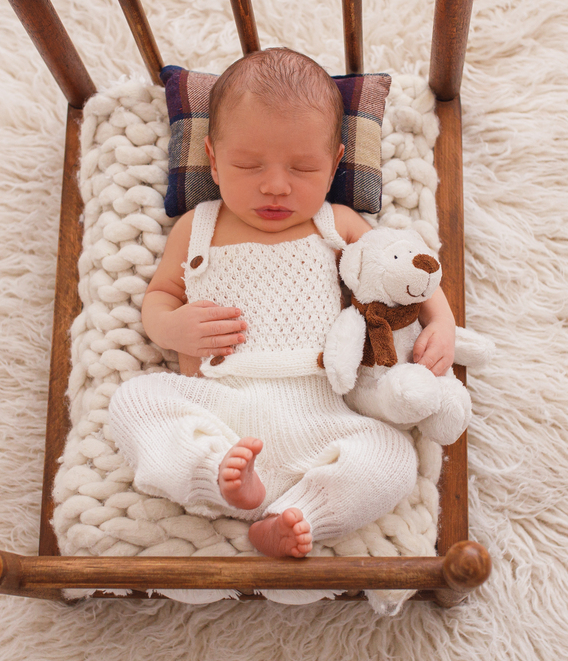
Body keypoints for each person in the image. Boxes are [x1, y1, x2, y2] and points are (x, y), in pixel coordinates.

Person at [109, 47, 457, 559]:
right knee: (134, 402)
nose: (275, 186)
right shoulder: (197, 225)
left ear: (335, 164)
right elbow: (160, 296)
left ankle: (294, 516)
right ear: (212, 159)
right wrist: (172, 328)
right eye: (247, 165)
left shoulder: (336, 224)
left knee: (392, 457)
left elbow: (406, 268)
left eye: (303, 168)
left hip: (321, 414)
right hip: (220, 408)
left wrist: (442, 323)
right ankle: (220, 476)